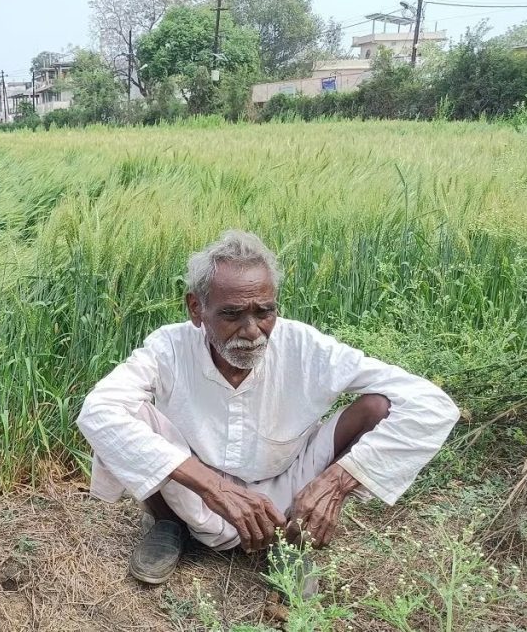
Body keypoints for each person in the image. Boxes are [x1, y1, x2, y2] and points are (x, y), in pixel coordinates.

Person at [77, 230, 458, 588]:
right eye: (232, 314)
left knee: (377, 406)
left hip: (291, 486)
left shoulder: (305, 346)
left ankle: (292, 537)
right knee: (123, 413)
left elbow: (432, 404)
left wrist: (337, 483)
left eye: (264, 312)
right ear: (197, 308)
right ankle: (168, 524)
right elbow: (98, 411)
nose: (252, 330)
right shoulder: (169, 348)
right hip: (193, 493)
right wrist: (214, 488)